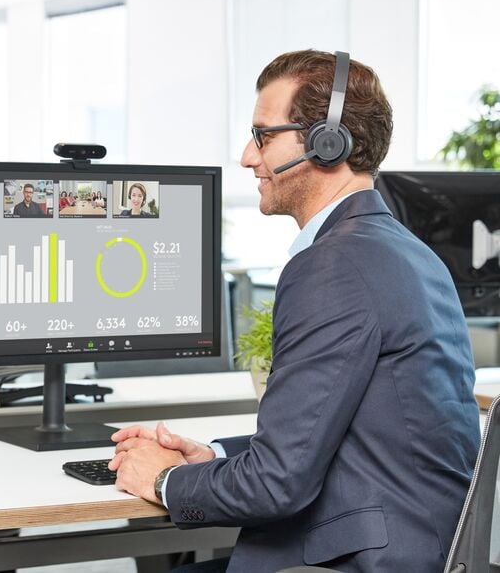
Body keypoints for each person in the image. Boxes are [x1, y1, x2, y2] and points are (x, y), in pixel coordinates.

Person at [109, 50, 479, 572]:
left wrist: (161, 479)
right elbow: (347, 438)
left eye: (263, 136)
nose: (246, 156)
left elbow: (276, 484)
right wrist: (211, 455)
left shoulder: (334, 267)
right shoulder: (402, 249)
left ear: (328, 143)